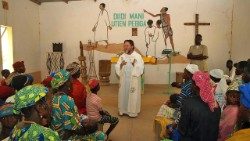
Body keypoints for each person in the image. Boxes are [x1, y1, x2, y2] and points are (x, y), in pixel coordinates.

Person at [51, 70, 105, 140]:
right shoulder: (67, 100)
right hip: (64, 137)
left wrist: (80, 119)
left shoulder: (54, 97)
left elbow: (68, 119)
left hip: (56, 134)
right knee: (100, 135)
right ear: (67, 83)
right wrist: (90, 128)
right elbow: (73, 129)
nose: (72, 82)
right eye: (70, 80)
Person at [178, 71, 221, 141]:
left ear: (195, 86)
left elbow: (182, 129)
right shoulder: (216, 104)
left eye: (192, 84)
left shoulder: (188, 103)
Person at [115, 40, 144, 117]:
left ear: (132, 46)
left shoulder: (137, 56)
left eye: (127, 45)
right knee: (123, 94)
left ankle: (132, 112)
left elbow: (141, 68)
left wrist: (135, 64)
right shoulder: (122, 56)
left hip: (133, 80)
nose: (125, 47)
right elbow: (117, 66)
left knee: (133, 95)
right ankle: (122, 110)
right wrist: (121, 65)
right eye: (124, 46)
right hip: (124, 80)